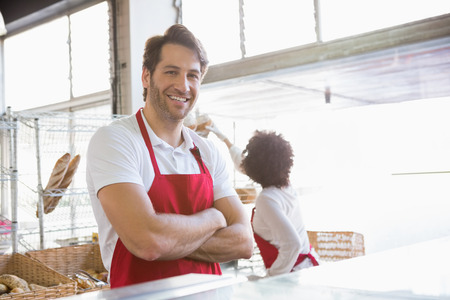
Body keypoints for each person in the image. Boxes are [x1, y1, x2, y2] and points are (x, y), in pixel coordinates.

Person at [86, 24, 253, 288]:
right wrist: (213, 218)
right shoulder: (116, 140)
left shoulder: (208, 152)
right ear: (146, 76)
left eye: (193, 75)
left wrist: (168, 239)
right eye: (171, 72)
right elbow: (148, 242)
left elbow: (244, 242)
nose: (183, 85)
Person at [239, 130, 320, 278]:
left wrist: (269, 278)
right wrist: (224, 140)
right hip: (307, 267)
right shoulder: (286, 188)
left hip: (292, 274)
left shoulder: (267, 199)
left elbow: (292, 244)